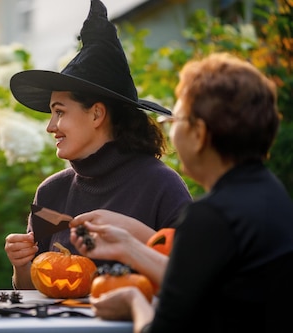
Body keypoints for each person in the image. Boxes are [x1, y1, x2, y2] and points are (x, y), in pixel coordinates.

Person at [72, 52, 293, 333]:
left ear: (199, 134)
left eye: (175, 121)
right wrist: (129, 247)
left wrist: (134, 301)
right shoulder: (272, 196)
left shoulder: (211, 218)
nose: (170, 132)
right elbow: (210, 287)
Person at [4, 0, 192, 290]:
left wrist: (136, 238)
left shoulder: (162, 186)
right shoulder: (51, 192)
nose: (50, 126)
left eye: (60, 111)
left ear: (96, 114)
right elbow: (36, 290)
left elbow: (193, 277)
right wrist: (21, 266)